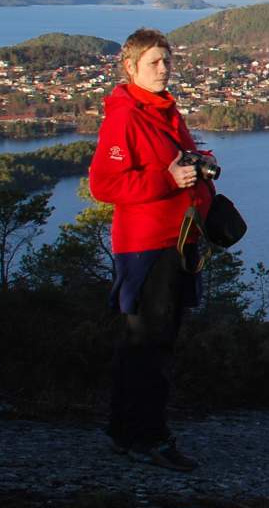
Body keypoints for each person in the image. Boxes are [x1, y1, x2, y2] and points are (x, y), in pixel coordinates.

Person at [89, 28, 214, 471]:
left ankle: (126, 431)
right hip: (148, 246)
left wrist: (198, 165)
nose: (163, 69)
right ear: (131, 67)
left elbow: (174, 162)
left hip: (177, 240)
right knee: (149, 344)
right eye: (154, 63)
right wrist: (168, 179)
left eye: (167, 61)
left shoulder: (165, 110)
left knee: (150, 342)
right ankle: (148, 438)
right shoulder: (125, 116)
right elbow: (104, 184)